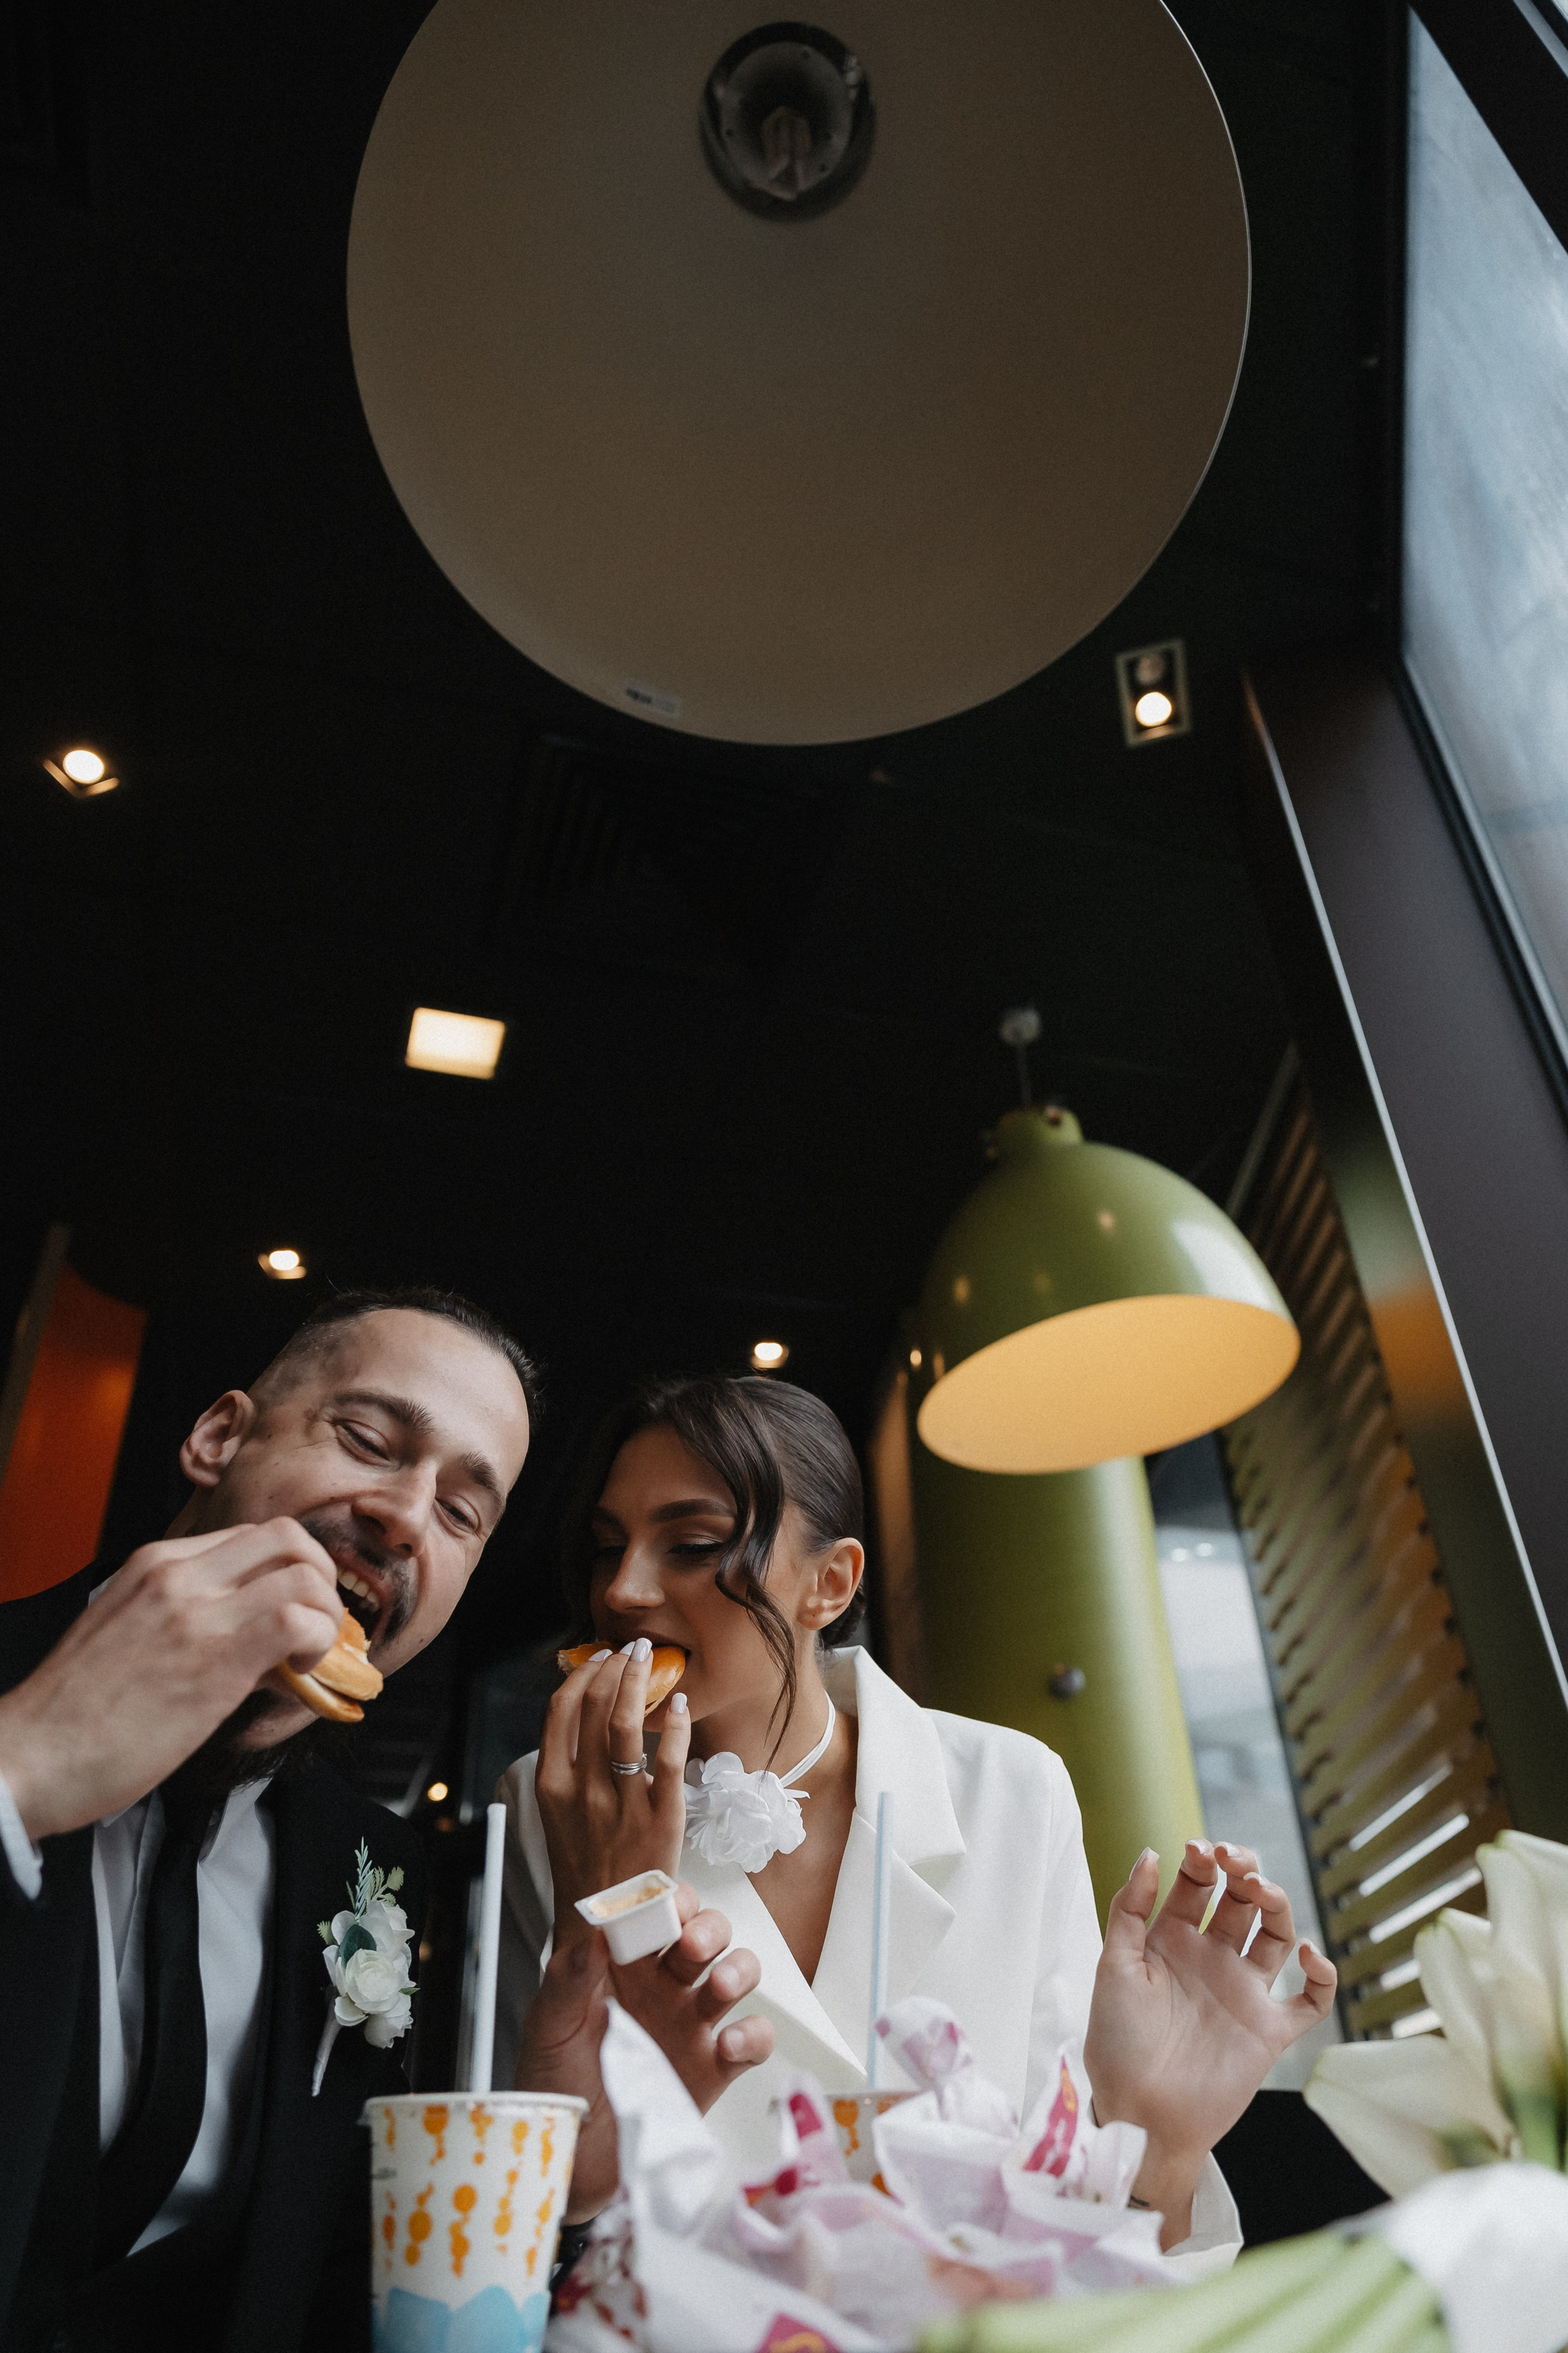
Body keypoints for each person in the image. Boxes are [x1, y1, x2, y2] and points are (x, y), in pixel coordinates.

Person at [0, 1289, 771, 2353]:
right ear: (219, 1435)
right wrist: (21, 1766)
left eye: (463, 1511)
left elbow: (341, 2294)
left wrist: (553, 2173)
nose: (406, 1515)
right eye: (368, 1440)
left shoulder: (365, 1867)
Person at [499, 1373, 1340, 2264]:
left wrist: (1161, 2144)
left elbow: (1073, 2236)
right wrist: (611, 1899)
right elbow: (532, 2197)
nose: (624, 1591)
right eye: (606, 1548)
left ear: (831, 1583)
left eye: (694, 1543)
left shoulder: (1012, 1789)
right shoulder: (545, 1799)